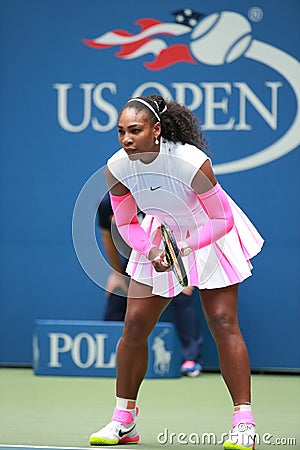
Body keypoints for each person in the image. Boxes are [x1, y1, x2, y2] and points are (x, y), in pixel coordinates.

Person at [89, 95, 264, 449]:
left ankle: (244, 423)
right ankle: (124, 420)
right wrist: (151, 250)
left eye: (134, 130)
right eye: (121, 131)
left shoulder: (190, 162)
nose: (126, 139)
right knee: (134, 324)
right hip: (160, 234)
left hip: (209, 232)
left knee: (222, 320)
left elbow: (222, 218)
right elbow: (124, 222)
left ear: (156, 131)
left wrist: (182, 249)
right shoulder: (118, 167)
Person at [97, 191, 203, 376]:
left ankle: (191, 359)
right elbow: (108, 237)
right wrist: (117, 274)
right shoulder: (108, 202)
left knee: (183, 296)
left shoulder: (160, 196)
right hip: (137, 259)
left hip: (171, 256)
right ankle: (108, 357)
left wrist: (185, 270)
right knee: (117, 296)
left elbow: (186, 229)